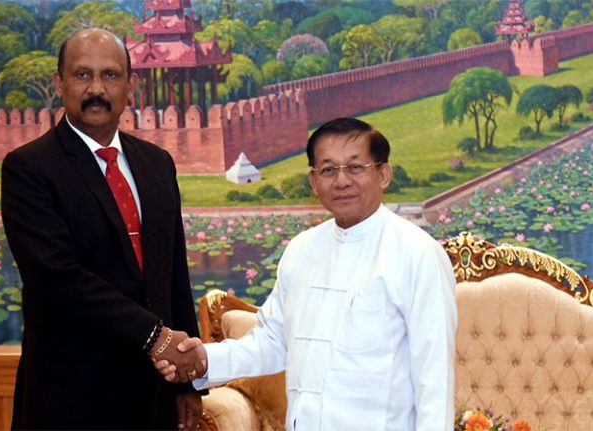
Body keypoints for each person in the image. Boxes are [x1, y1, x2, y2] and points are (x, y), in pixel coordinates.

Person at [156, 118, 458, 430]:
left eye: (355, 167)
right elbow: (272, 342)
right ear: (314, 181)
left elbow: (434, 375)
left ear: (383, 174)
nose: (341, 181)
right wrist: (204, 359)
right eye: (328, 170)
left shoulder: (417, 254)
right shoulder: (302, 250)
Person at [1, 28, 204, 430]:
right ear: (60, 84)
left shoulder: (156, 164)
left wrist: (190, 383)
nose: (96, 88)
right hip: (72, 398)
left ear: (131, 86)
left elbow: (174, 274)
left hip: (155, 393)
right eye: (82, 75)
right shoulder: (30, 168)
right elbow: (57, 278)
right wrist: (155, 337)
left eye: (110, 75)